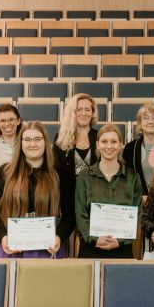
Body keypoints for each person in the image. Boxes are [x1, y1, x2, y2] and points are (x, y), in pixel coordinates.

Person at [0, 121, 64, 258]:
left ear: (46, 142)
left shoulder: (60, 174)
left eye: (37, 139)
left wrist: (59, 236)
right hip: (11, 246)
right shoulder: (4, 172)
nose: (32, 144)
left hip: (48, 247)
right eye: (27, 139)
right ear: (20, 144)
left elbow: (69, 214)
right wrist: (2, 236)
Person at [75, 124, 142, 258]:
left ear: (120, 145)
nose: (109, 146)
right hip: (91, 248)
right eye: (104, 141)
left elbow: (137, 214)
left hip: (121, 248)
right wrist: (94, 238)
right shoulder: (84, 176)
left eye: (114, 141)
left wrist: (120, 241)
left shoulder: (132, 177)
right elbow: (80, 214)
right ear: (98, 145)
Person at [54, 93, 98, 241]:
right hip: (68, 199)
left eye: (88, 109)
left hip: (95, 199)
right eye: (79, 109)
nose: (84, 113)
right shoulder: (60, 138)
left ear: (93, 113)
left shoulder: (100, 137)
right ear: (72, 112)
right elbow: (57, 171)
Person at [123, 103, 154, 202]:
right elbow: (126, 180)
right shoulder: (130, 148)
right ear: (140, 123)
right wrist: (139, 197)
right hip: (139, 204)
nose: (150, 121)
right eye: (146, 118)